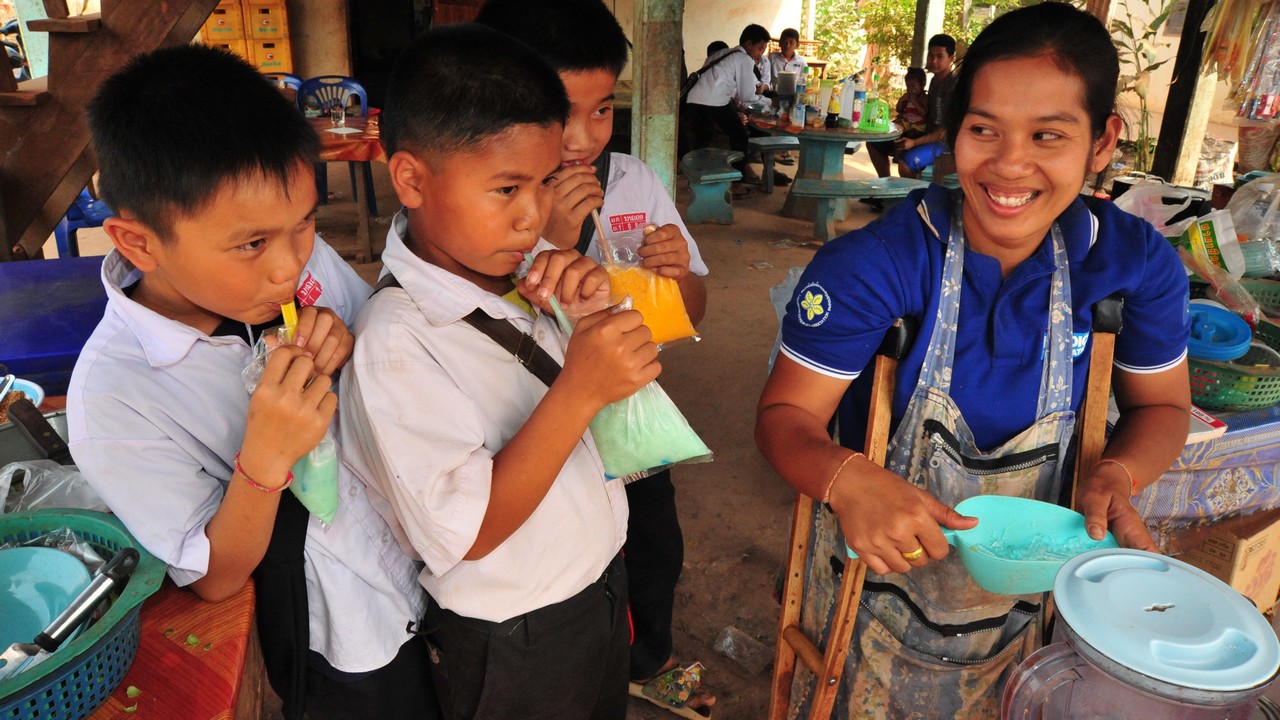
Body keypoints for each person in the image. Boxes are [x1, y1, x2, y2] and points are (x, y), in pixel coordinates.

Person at [755, 4, 1190, 718]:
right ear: (954, 131)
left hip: (1037, 595)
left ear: (1103, 140)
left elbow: (1163, 407)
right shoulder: (876, 263)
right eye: (983, 130)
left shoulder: (1131, 264)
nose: (1009, 165)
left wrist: (1117, 471)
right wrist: (845, 476)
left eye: (1048, 135)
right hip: (875, 580)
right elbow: (784, 418)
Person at [67, 45, 439, 720]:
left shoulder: (301, 264)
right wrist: (266, 458)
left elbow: (370, 338)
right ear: (139, 243)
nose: (287, 269)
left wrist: (351, 341)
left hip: (427, 566)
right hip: (345, 635)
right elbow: (215, 577)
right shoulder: (115, 397)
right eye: (251, 245)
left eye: (303, 225)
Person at [338, 23, 660, 720]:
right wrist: (578, 387)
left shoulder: (517, 279)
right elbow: (470, 530)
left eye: (544, 184)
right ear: (412, 179)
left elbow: (619, 422)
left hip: (595, 590)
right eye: (506, 188)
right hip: (517, 638)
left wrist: (588, 320)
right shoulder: (396, 343)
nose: (533, 216)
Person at [474, 1, 714, 716]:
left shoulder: (633, 180)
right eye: (560, 111)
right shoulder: (483, 200)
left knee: (653, 544)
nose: (582, 138)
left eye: (603, 109)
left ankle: (649, 657)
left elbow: (690, 315)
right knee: (565, 558)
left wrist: (680, 280)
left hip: (628, 418)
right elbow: (475, 314)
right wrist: (545, 233)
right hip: (529, 427)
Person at [684, 23, 773, 189]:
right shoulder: (744, 59)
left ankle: (696, 181)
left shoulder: (723, 53)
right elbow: (746, 95)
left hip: (694, 100)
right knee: (740, 136)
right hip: (715, 101)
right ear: (748, 44)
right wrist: (767, 101)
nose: (760, 54)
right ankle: (738, 182)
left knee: (701, 140)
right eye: (760, 49)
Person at [865, 66, 928, 178]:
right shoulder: (907, 96)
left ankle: (899, 155)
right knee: (896, 126)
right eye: (908, 86)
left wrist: (915, 102)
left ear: (922, 85)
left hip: (918, 125)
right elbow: (899, 109)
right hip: (906, 121)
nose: (910, 89)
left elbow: (925, 113)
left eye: (913, 86)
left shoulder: (924, 98)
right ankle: (885, 177)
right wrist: (902, 102)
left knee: (910, 136)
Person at [765, 28, 808, 166]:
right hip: (775, 95)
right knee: (774, 121)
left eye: (791, 42)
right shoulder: (772, 58)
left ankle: (786, 150)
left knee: (790, 121)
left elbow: (804, 80)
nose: (787, 45)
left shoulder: (801, 62)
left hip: (794, 96)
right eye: (784, 41)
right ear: (780, 43)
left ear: (797, 44)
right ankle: (773, 150)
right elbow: (766, 77)